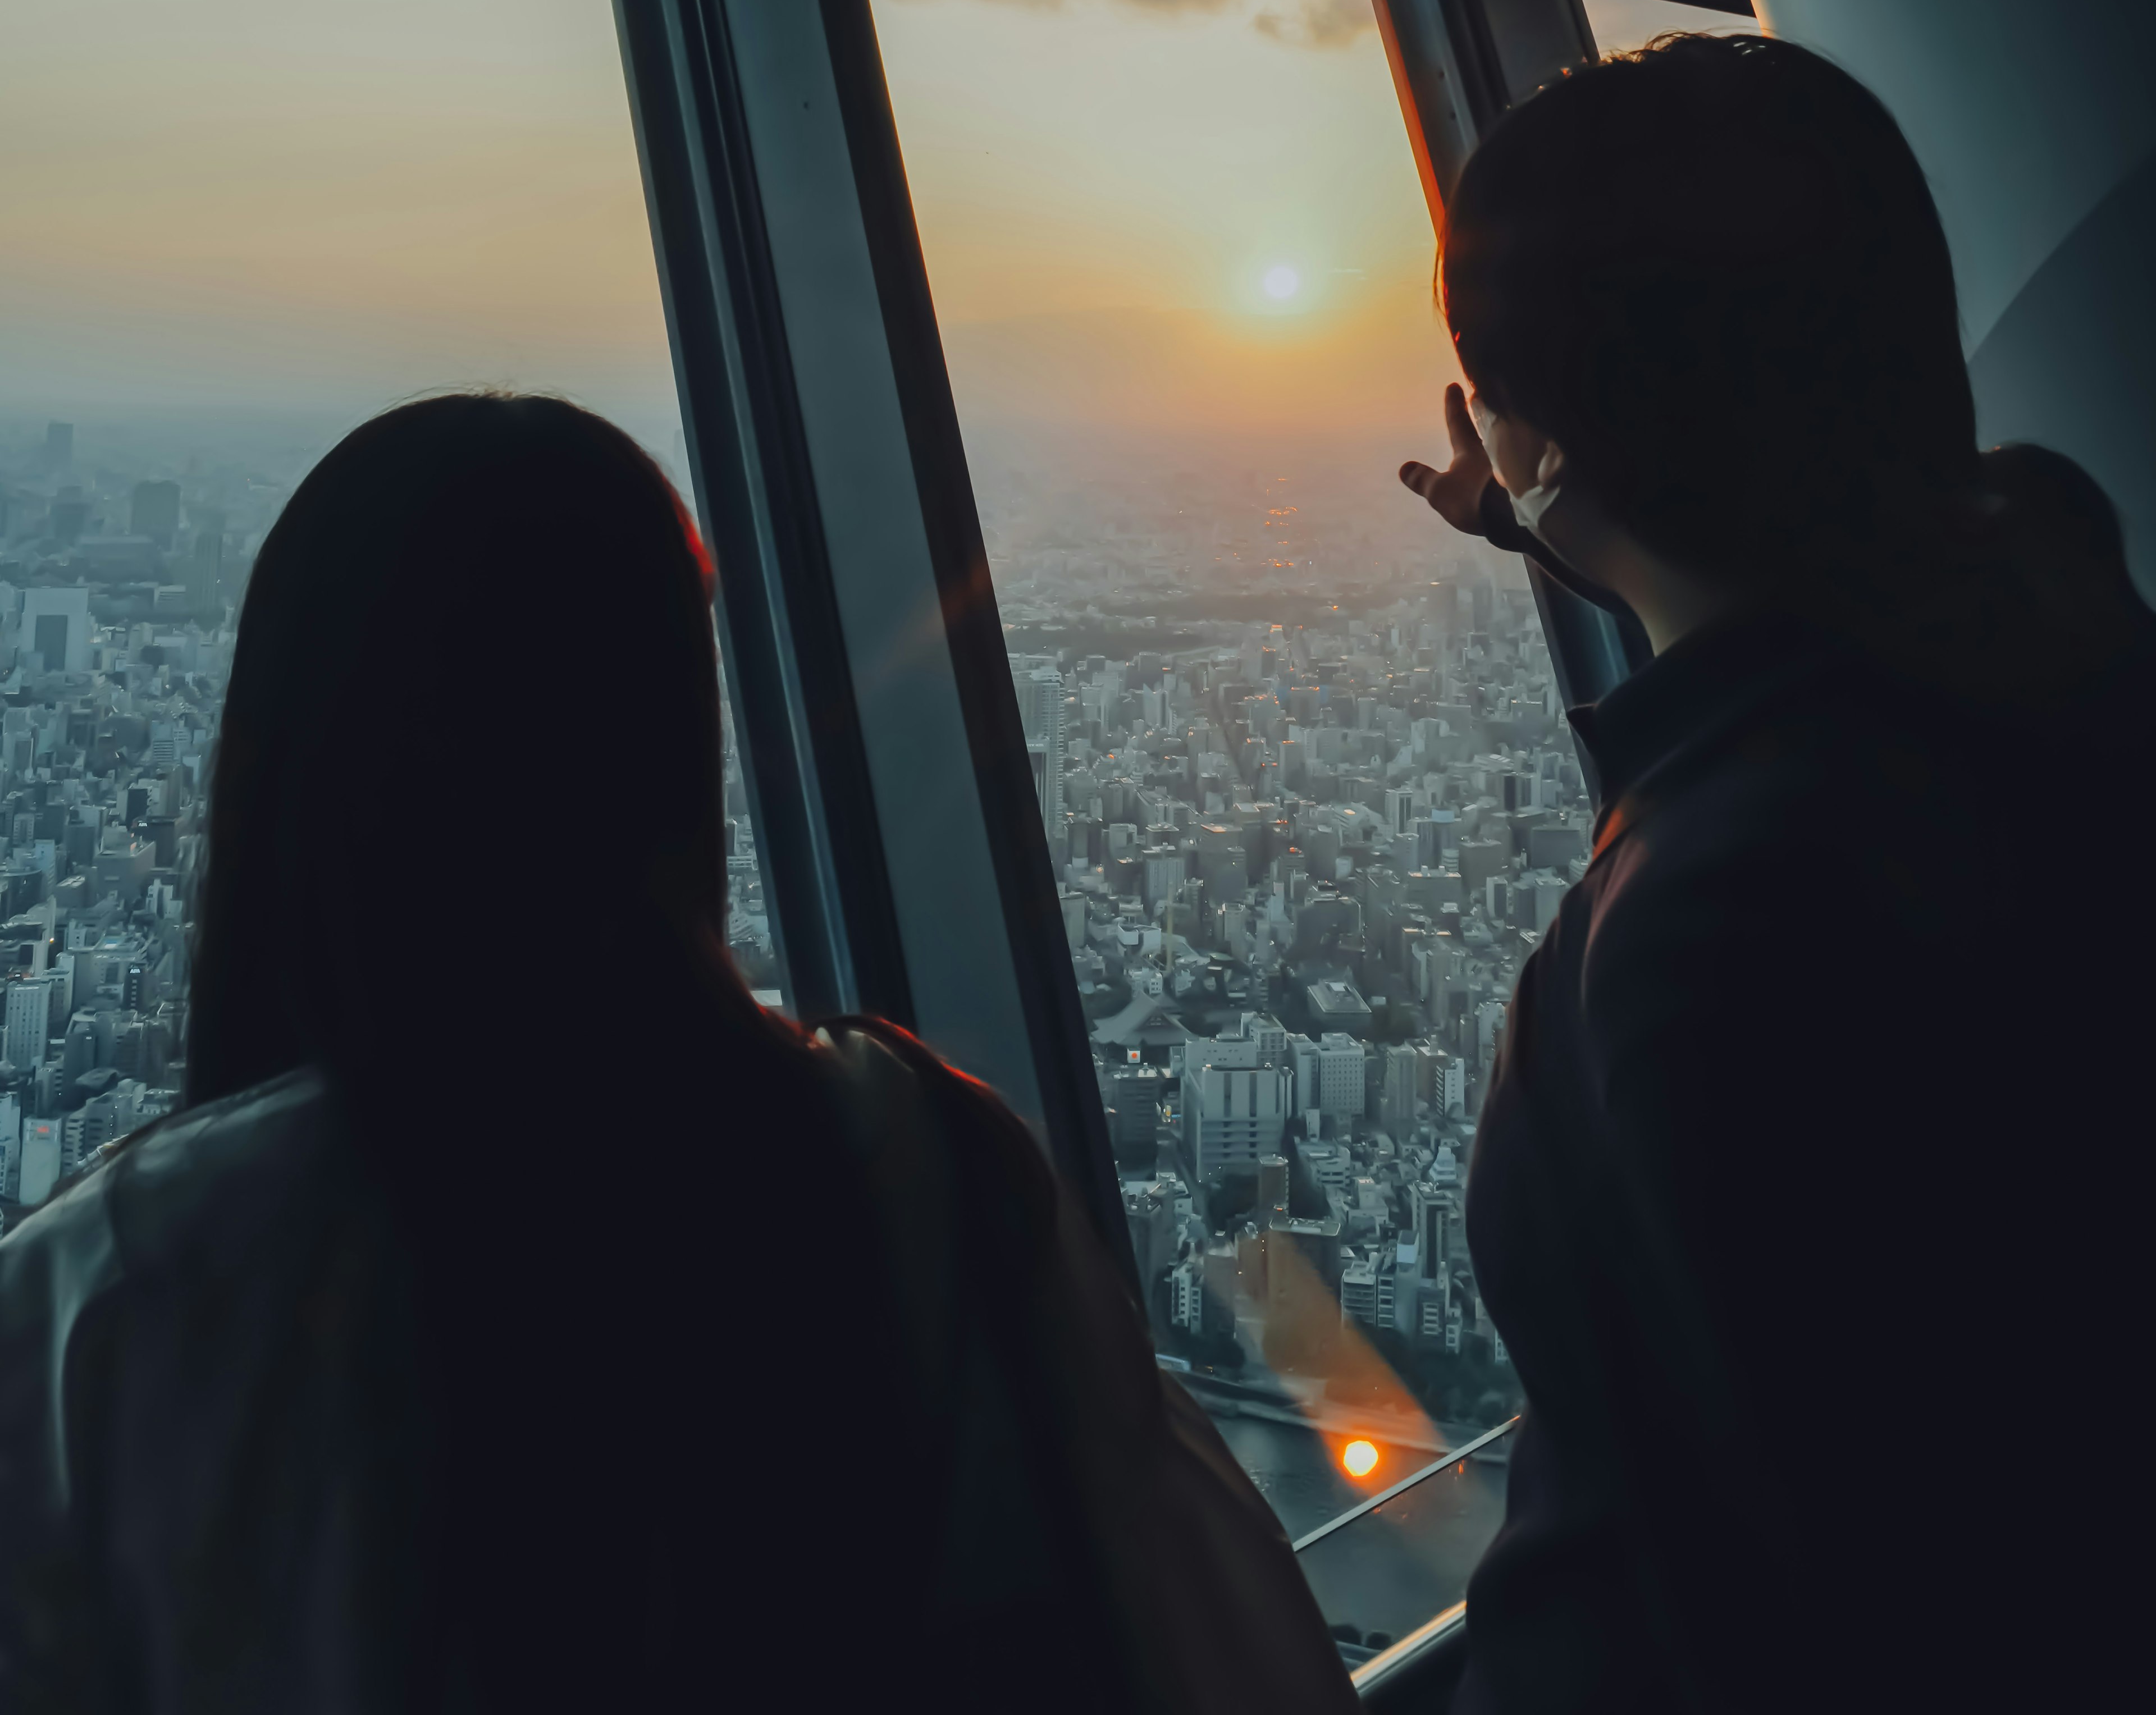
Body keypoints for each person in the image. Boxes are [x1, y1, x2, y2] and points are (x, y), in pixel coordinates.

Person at [0, 394, 1354, 1715]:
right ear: (670, 751)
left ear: (289, 758)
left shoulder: (108, 1298)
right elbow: (1230, 1652)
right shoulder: (938, 1174)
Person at [1397, 31, 2156, 1714]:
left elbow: (1871, 1570)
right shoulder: (2045, 623)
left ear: (1544, 419)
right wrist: (1557, 507)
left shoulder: (1728, 915)